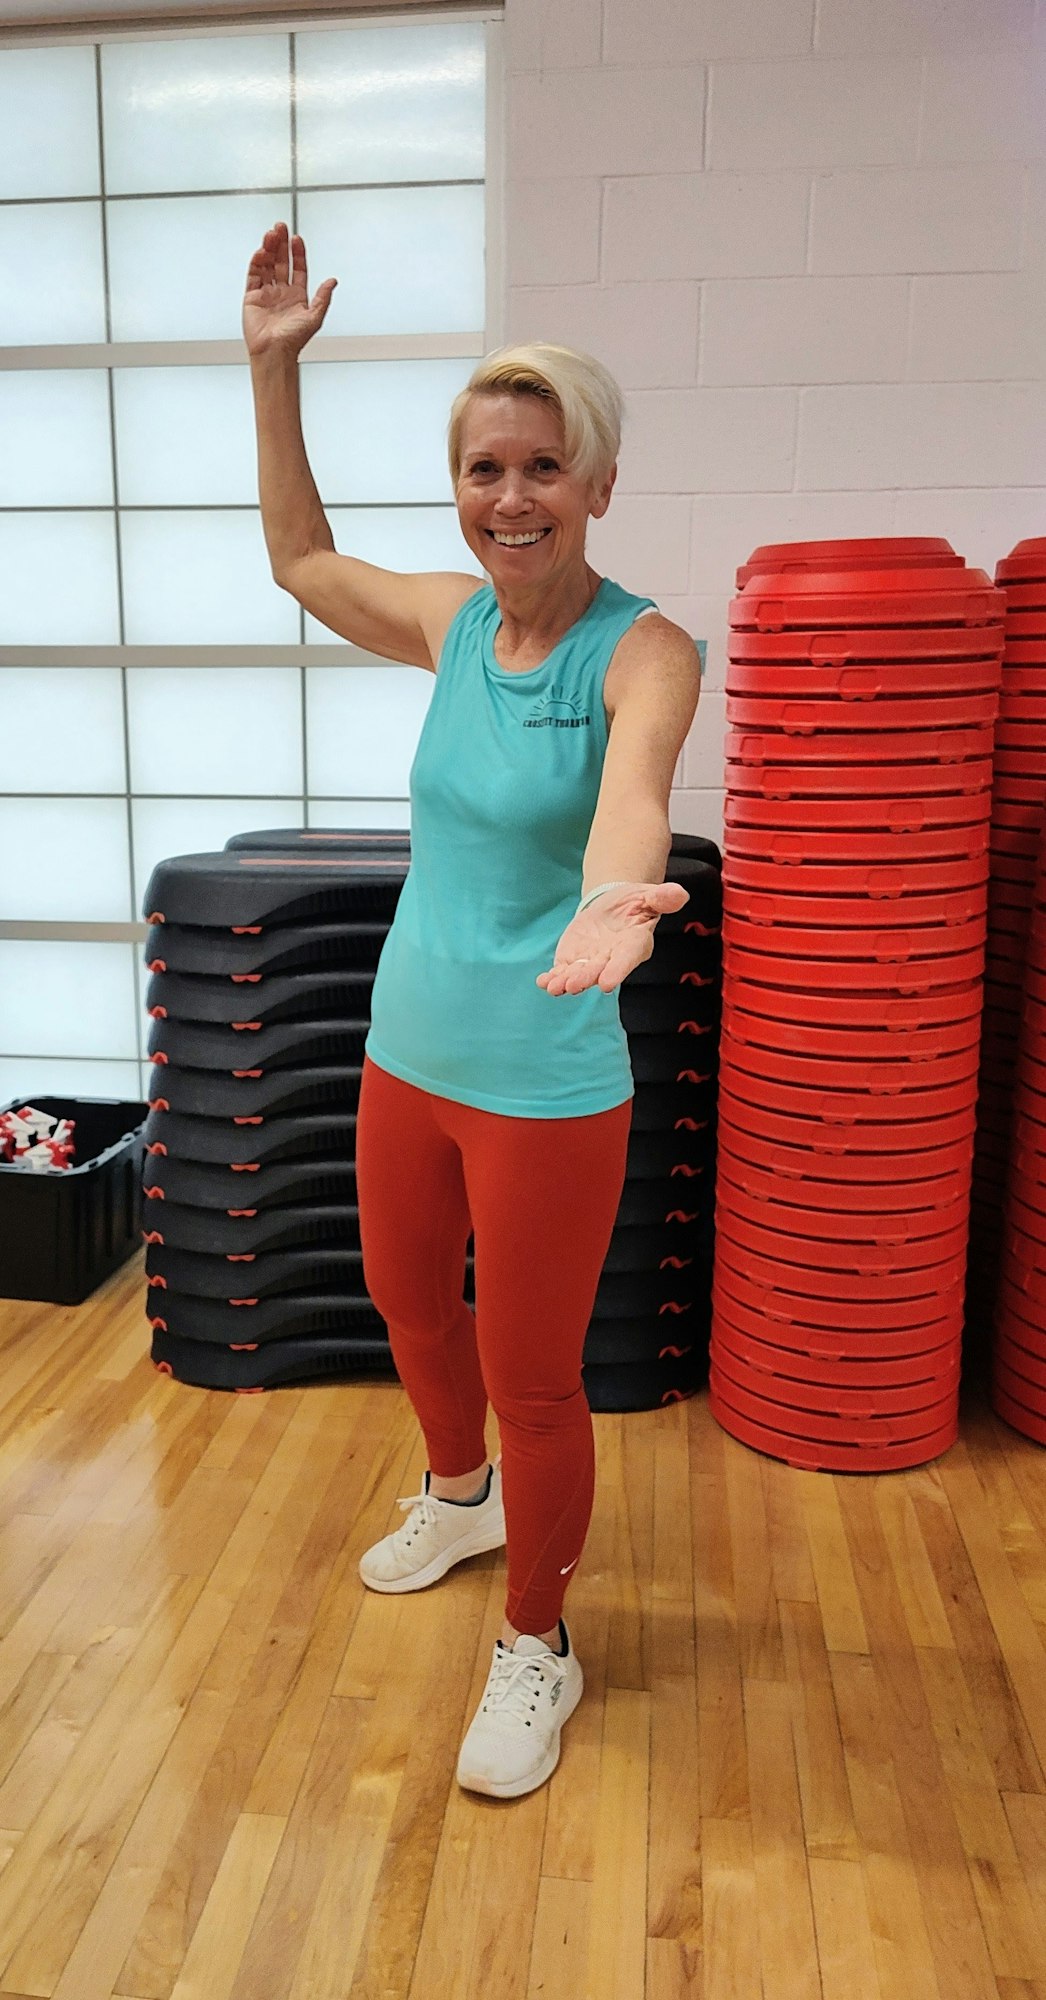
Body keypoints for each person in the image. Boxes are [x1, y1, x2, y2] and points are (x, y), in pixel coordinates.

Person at [244, 221, 701, 1800]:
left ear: (597, 484)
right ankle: (458, 1496)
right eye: (484, 469)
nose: (510, 498)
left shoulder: (643, 650)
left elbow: (632, 797)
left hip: (544, 1076)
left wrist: (609, 904)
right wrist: (269, 371)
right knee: (406, 1309)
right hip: (403, 1052)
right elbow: (302, 563)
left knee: (535, 1374)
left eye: (542, 469)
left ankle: (539, 1643)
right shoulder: (449, 626)